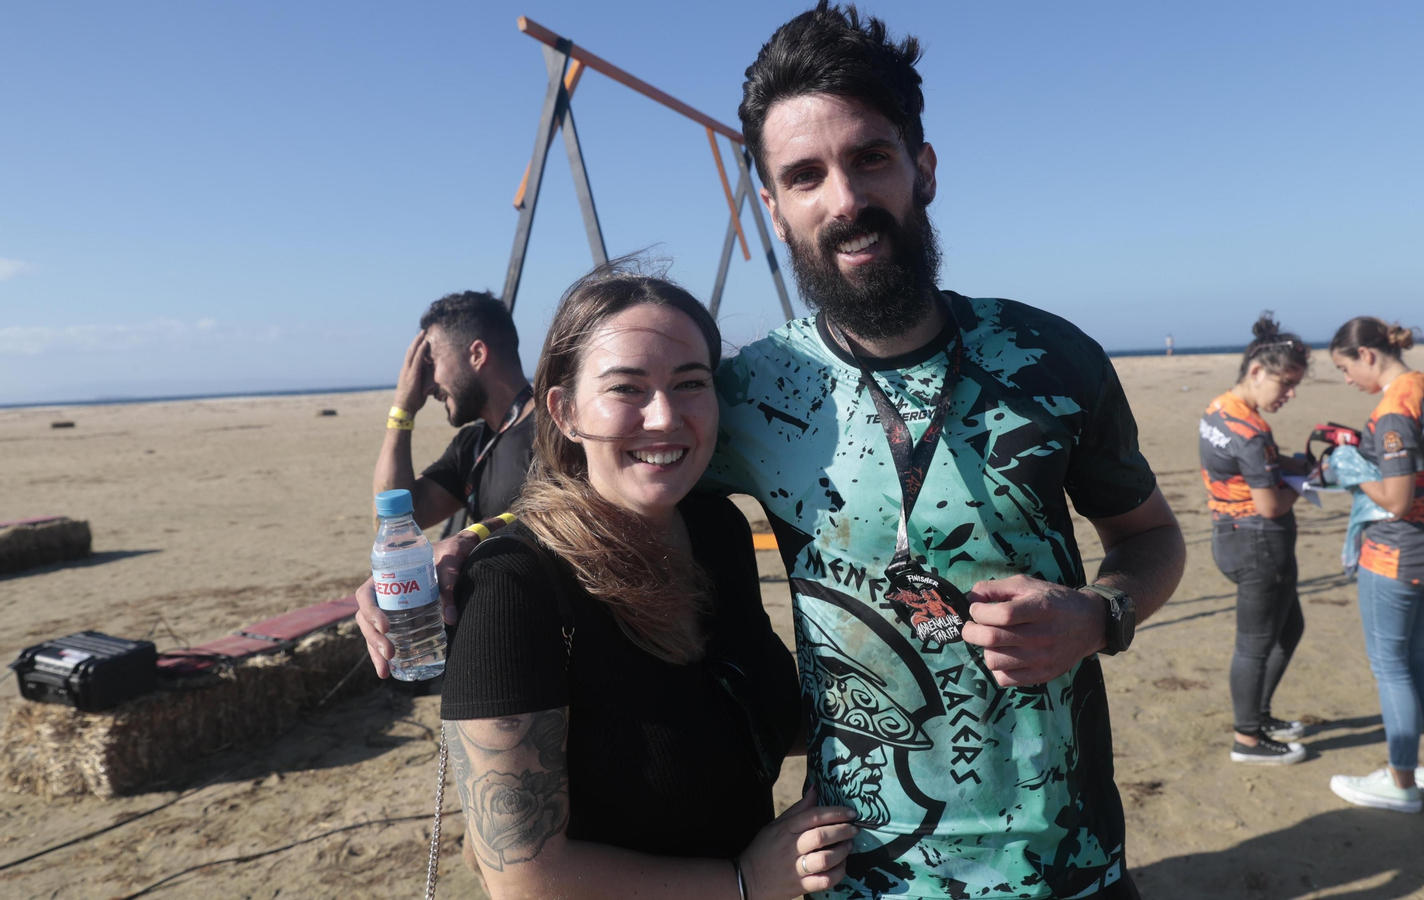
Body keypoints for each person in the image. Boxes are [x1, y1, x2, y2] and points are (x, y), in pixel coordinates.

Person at [362, 5, 1185, 896]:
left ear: (923, 168)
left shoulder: (1052, 359)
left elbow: (1150, 536)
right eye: (805, 176)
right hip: (859, 868)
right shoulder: (744, 393)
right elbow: (605, 480)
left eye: (871, 157)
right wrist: (468, 550)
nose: (846, 201)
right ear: (774, 209)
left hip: (1073, 862)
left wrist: (1100, 616)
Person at [437, 265, 858, 899]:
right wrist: (743, 882)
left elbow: (748, 716)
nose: (663, 417)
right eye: (627, 388)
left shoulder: (716, 530)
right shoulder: (512, 584)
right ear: (565, 411)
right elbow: (522, 877)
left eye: (690, 383)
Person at [1326, 317, 1424, 813]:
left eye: (1345, 368)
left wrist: (1349, 469)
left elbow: (1397, 499)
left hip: (1398, 550)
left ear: (1367, 355)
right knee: (1417, 656)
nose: (1347, 379)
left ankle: (1401, 780)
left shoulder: (1392, 411)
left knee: (1390, 666)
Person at [1198, 314, 1312, 766]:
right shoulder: (1253, 429)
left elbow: (1257, 460)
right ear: (1258, 372)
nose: (1290, 394)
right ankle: (1247, 738)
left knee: (1289, 629)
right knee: (1255, 644)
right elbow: (1271, 505)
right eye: (1286, 384)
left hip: (1229, 536)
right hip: (1259, 544)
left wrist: (1293, 463)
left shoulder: (1219, 409)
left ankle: (1258, 715)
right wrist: (1306, 482)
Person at [373, 291, 536, 528]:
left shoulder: (555, 432)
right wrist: (402, 408)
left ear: (477, 355)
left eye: (431, 365)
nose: (427, 387)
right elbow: (392, 524)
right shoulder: (471, 446)